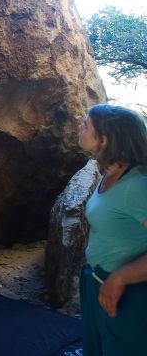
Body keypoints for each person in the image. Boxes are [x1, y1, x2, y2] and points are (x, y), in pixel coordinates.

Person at [77, 103, 147, 355]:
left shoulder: (137, 186)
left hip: (130, 294)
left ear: (104, 140)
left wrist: (120, 277)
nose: (79, 126)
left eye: (86, 124)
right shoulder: (110, 174)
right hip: (99, 281)